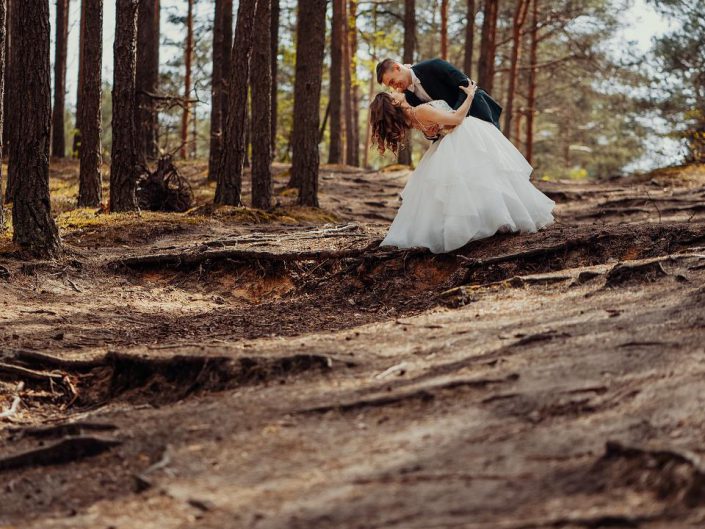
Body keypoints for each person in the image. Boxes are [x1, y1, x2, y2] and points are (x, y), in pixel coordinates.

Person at [369, 81, 555, 254]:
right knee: (486, 179)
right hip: (464, 134)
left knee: (474, 184)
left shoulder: (410, 118)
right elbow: (457, 119)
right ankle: (492, 221)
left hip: (449, 141)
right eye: (392, 93)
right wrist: (470, 96)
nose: (396, 91)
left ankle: (488, 220)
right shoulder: (420, 111)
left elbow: (434, 129)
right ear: (394, 102)